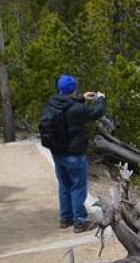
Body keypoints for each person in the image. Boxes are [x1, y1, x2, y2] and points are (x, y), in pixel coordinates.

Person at [41, 75, 107, 233]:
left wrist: (81, 98)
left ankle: (65, 218)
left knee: (64, 185)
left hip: (58, 153)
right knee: (78, 187)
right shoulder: (76, 110)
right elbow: (96, 113)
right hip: (74, 154)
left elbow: (67, 105)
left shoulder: (53, 103)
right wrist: (101, 99)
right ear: (73, 90)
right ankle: (80, 221)